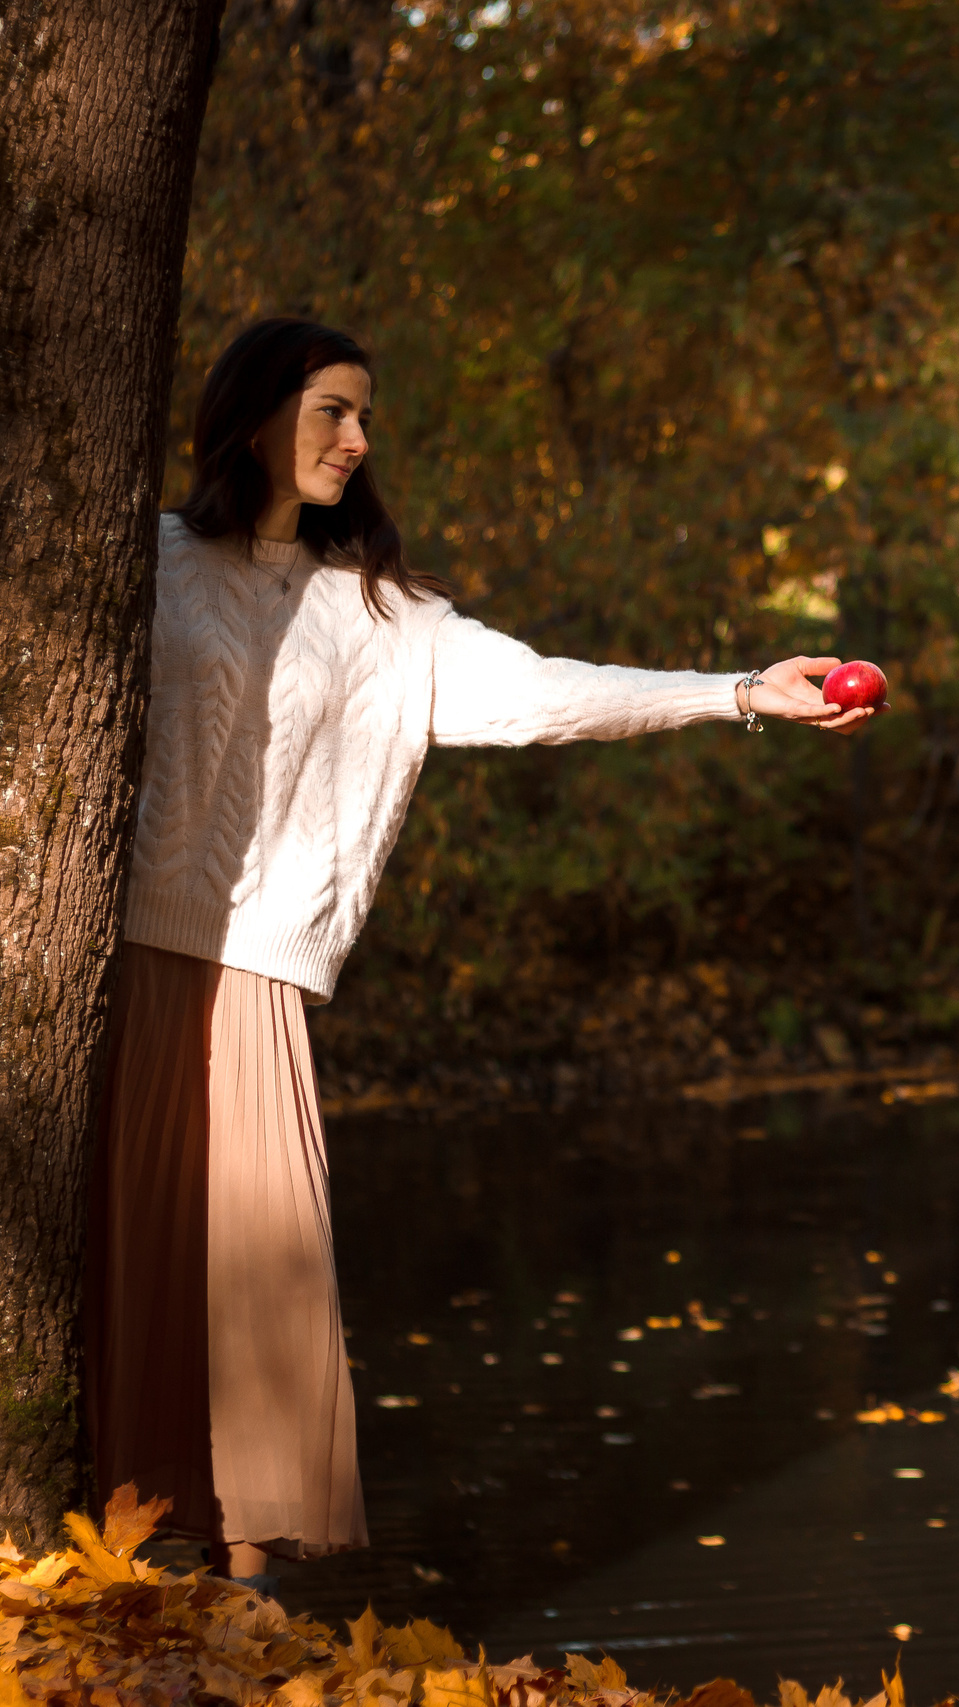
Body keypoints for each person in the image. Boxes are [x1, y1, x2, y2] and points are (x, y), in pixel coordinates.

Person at [88, 317, 873, 1590]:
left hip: (254, 984)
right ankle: (97, 1569)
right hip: (110, 970)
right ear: (253, 416)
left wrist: (737, 691)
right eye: (333, 410)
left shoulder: (386, 619)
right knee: (112, 1267)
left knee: (258, 1293)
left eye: (364, 416)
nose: (358, 438)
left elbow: (552, 695)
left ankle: (240, 1605)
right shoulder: (141, 559)